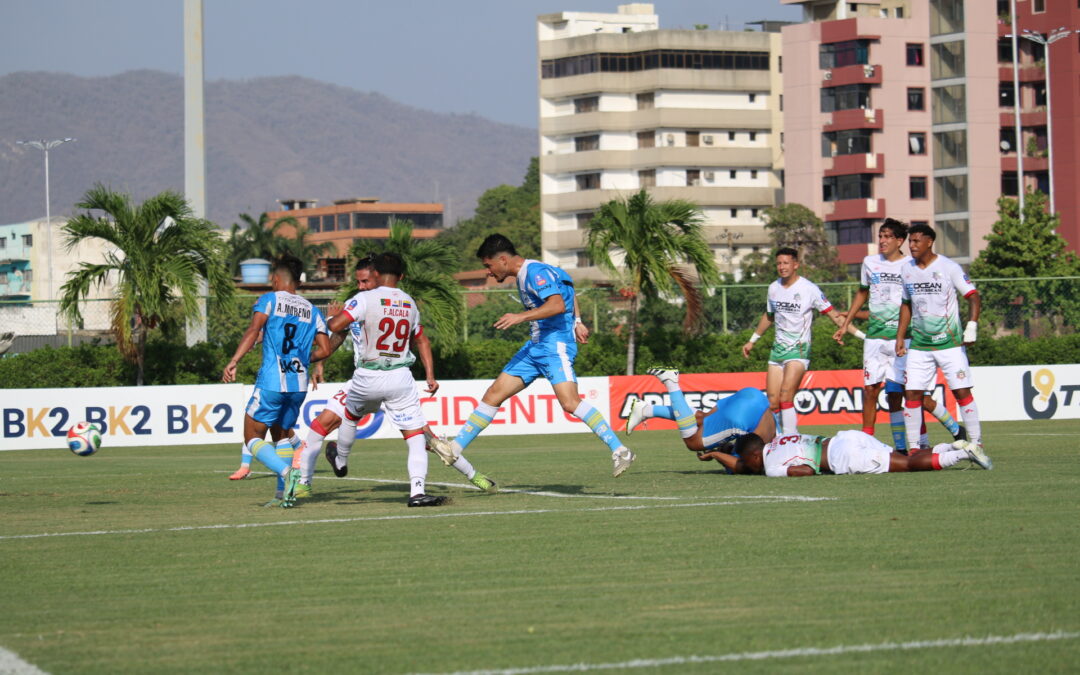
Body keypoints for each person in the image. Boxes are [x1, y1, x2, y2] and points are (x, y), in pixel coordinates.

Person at [429, 234, 635, 477]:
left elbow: (557, 304)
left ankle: (620, 450)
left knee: (570, 402)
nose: (488, 272)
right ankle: (455, 448)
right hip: (535, 346)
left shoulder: (535, 273)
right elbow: (569, 290)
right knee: (494, 394)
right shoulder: (541, 270)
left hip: (554, 345)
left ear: (503, 260)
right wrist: (578, 321)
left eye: (488, 266)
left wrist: (520, 316)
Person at [294, 255, 496, 498]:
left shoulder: (364, 302)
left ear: (377, 276)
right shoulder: (395, 302)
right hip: (386, 378)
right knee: (319, 426)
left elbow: (334, 327)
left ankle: (473, 475)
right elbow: (337, 339)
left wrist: (326, 325)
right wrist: (319, 364)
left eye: (366, 281)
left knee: (428, 440)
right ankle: (304, 483)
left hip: (372, 377)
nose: (361, 286)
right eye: (358, 282)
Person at [832, 219, 965, 452]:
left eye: (887, 237)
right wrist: (847, 322)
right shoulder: (869, 262)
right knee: (873, 391)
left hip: (904, 339)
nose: (881, 241)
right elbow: (862, 293)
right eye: (880, 236)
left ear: (899, 240)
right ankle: (877, 446)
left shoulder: (910, 266)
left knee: (913, 395)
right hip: (875, 338)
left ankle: (953, 430)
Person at [222, 254, 330, 507]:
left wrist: (234, 360)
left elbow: (253, 330)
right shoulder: (312, 310)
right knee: (281, 435)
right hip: (299, 384)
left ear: (277, 278)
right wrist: (302, 358)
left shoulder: (269, 300)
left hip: (272, 381)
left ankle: (286, 472)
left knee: (252, 437)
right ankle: (284, 495)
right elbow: (325, 350)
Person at [741, 247, 855, 436]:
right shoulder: (773, 288)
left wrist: (855, 333)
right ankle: (777, 441)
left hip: (799, 350)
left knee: (786, 396)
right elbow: (768, 316)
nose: (782, 267)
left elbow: (834, 315)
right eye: (778, 263)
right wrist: (752, 340)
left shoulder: (809, 289)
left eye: (786, 263)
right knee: (773, 401)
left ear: (796, 265)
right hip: (777, 351)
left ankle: (790, 440)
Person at [896, 223, 984, 453]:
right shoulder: (906, 270)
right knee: (912, 393)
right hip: (920, 345)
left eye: (916, 241)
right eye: (910, 241)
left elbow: (973, 296)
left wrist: (972, 325)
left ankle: (976, 444)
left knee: (961, 392)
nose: (911, 245)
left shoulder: (949, 267)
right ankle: (916, 448)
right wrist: (900, 337)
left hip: (950, 344)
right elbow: (906, 305)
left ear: (929, 242)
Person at [697, 429, 992, 477]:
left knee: (911, 466)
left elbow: (806, 471)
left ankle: (964, 454)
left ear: (754, 456)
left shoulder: (771, 466)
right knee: (904, 457)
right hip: (845, 437)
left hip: (843, 458)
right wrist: (714, 456)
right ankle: (954, 445)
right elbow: (739, 464)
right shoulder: (777, 440)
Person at [625, 367, 775, 454]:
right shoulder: (765, 462)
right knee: (694, 442)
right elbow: (741, 465)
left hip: (756, 398)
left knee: (702, 419)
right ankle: (671, 383)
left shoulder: (787, 444)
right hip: (742, 420)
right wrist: (716, 454)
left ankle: (646, 410)